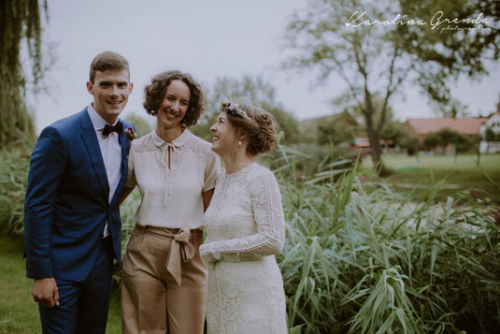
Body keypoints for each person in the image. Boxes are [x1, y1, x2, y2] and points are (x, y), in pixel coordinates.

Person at [24, 51, 135, 334]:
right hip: (60, 264)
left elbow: (110, 196)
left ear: (130, 88)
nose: (115, 93)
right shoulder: (59, 135)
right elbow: (37, 206)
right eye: (106, 84)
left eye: (121, 85)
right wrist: (41, 273)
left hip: (101, 261)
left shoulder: (127, 134)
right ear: (90, 87)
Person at [119, 70, 220, 334]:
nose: (175, 107)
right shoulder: (136, 150)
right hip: (144, 250)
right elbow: (114, 199)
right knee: (142, 330)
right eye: (169, 98)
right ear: (157, 99)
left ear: (190, 108)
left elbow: (214, 212)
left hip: (189, 250)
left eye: (183, 103)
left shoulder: (206, 154)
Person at [200, 100, 287, 333]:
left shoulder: (261, 179)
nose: (212, 128)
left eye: (220, 122)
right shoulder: (219, 180)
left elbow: (272, 239)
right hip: (221, 299)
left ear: (241, 133)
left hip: (254, 300)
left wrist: (214, 249)